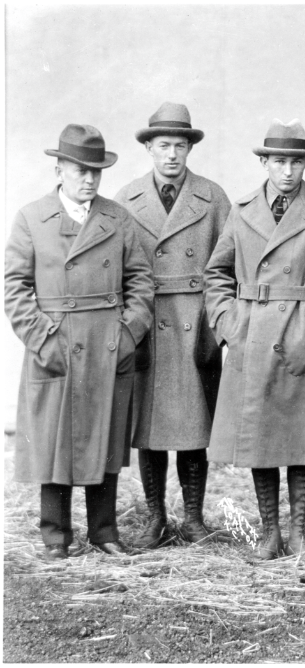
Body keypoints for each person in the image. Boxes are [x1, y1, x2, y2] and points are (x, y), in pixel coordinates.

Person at [203, 119, 305, 562]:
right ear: (264, 162)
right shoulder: (241, 211)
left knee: (300, 439)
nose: (289, 171)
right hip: (252, 335)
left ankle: (299, 537)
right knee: (260, 438)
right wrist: (228, 322)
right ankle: (269, 535)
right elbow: (216, 273)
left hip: (300, 335)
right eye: (280, 161)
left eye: (297, 162)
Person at [5, 123, 154, 559]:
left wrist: (127, 334)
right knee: (54, 440)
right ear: (59, 169)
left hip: (106, 344)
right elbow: (14, 289)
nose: (88, 179)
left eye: (96, 171)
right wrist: (43, 340)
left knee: (103, 439)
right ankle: (55, 536)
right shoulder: (32, 218)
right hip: (55, 344)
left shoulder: (117, 217)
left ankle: (104, 532)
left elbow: (140, 282)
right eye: (79, 170)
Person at [115, 102, 232, 548]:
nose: (171, 155)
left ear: (189, 149)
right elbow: (123, 270)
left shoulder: (212, 196)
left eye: (179, 146)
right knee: (149, 429)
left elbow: (228, 263)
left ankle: (194, 518)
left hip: (194, 321)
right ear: (148, 148)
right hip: (148, 322)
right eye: (163, 145)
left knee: (192, 426)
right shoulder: (126, 200)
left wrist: (219, 325)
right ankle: (154, 518)